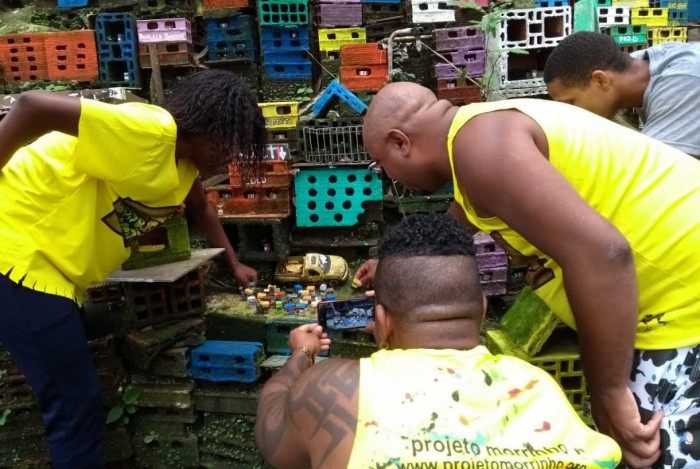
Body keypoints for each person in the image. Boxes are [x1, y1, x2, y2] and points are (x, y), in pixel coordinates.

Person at [357, 82, 700, 469]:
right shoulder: (477, 137)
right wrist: (395, 267)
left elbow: (603, 253)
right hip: (668, 286)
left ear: (400, 142)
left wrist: (608, 392)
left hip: (681, 297)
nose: (390, 177)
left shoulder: (482, 149)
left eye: (381, 164)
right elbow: (458, 223)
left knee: (646, 452)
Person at [0, 69, 265, 468]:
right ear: (209, 127)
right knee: (74, 401)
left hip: (55, 269)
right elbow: (32, 106)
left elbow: (200, 206)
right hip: (17, 252)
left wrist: (234, 261)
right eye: (231, 142)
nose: (231, 156)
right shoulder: (152, 132)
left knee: (76, 391)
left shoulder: (184, 165)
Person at [256, 214, 620, 469]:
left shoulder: (334, 388)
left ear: (380, 319)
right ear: (482, 308)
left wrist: (301, 353)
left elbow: (272, 436)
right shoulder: (536, 386)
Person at [543, 31, 700, 158]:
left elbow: (654, 171)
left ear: (600, 80)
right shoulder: (632, 67)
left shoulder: (684, 80)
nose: (569, 115)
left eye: (570, 103)